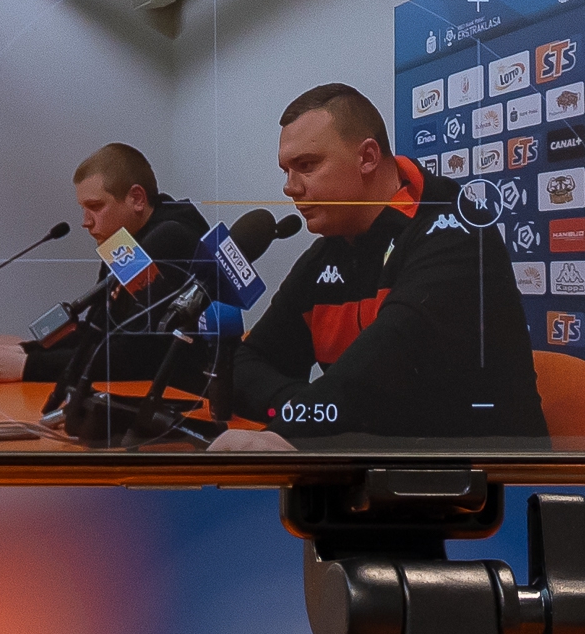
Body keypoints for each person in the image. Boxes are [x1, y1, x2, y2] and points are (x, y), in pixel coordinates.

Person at [215, 84, 546, 448]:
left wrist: (298, 420)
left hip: (490, 475)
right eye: (286, 171)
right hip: (377, 466)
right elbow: (247, 362)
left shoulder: (458, 232)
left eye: (307, 166)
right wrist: (300, 407)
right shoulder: (327, 254)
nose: (290, 188)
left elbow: (377, 376)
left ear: (368, 157)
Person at [0, 143, 208, 386]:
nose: (86, 222)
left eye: (95, 206)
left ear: (137, 198)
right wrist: (23, 351)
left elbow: (138, 357)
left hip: (185, 396)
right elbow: (99, 330)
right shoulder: (126, 241)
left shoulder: (170, 240)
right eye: (83, 208)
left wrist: (28, 366)